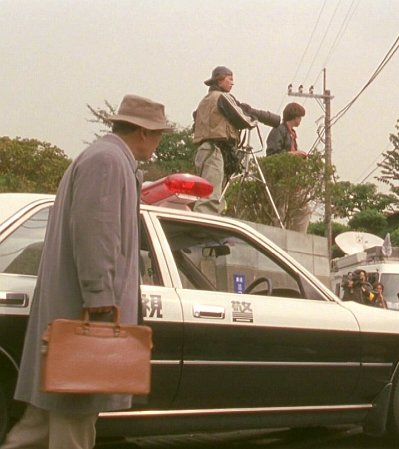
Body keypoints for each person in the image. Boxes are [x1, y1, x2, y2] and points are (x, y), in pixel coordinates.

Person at [0, 95, 172, 449]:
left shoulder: (104, 158)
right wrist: (100, 299)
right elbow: (97, 234)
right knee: (73, 421)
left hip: (72, 310)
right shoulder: (108, 161)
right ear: (143, 132)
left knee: (40, 426)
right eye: (158, 134)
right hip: (85, 312)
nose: (158, 143)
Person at [192, 66, 281, 215]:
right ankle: (204, 225)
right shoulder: (222, 97)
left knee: (208, 192)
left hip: (204, 150)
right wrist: (253, 117)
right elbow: (242, 119)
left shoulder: (205, 100)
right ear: (220, 80)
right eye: (230, 79)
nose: (232, 83)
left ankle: (208, 221)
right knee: (211, 197)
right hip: (215, 150)